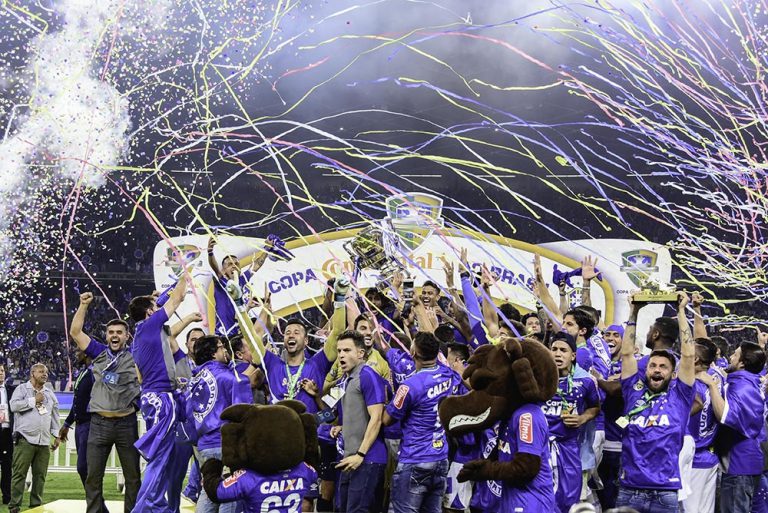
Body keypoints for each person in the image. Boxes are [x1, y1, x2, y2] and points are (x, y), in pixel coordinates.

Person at [615, 292, 695, 513]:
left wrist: (680, 311)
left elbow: (688, 357)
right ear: (646, 370)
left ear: (673, 373)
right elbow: (627, 355)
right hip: (630, 489)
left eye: (663, 367)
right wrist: (634, 311)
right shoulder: (633, 391)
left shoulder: (681, 396)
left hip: (665, 491)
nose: (657, 370)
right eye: (653, 366)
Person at [70, 292, 142, 513]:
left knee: (133, 478)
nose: (114, 335)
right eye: (111, 332)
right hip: (99, 424)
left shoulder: (135, 356)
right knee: (93, 477)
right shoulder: (99, 352)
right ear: (106, 335)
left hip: (126, 423)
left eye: (119, 332)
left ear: (126, 336)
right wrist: (83, 305)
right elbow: (75, 332)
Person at [128, 276, 189, 513]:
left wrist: (159, 296)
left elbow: (162, 300)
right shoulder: (150, 325)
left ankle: (156, 506)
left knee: (164, 457)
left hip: (153, 397)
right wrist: (185, 273)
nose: (158, 308)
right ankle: (144, 508)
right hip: (162, 398)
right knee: (161, 458)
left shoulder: (143, 332)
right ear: (149, 313)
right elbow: (178, 298)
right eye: (155, 308)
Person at [382, 332, 459, 513]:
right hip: (440, 458)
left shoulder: (409, 385)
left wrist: (387, 402)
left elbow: (386, 419)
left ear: (413, 352)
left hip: (414, 459)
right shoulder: (447, 373)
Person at [188, 334, 253, 513]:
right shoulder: (229, 377)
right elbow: (243, 411)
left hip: (203, 446)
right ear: (212, 353)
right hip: (225, 444)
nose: (225, 351)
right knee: (229, 493)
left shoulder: (194, 380)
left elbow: (188, 413)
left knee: (209, 491)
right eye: (221, 347)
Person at [700, 341, 766, 513]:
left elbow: (725, 415)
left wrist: (712, 385)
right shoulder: (746, 382)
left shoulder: (743, 387)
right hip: (744, 464)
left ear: (742, 362)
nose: (730, 357)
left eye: (735, 354)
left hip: (739, 466)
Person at [543, 332, 600, 513]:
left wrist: (582, 418)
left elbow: (595, 408)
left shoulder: (586, 381)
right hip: (540, 447)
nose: (558, 354)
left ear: (573, 355)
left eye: (563, 350)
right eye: (554, 349)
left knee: (568, 501)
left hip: (568, 448)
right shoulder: (538, 379)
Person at [334, 330, 388, 513]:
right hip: (350, 459)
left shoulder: (368, 375)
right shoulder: (347, 378)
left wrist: (361, 454)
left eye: (347, 350)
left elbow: (377, 417)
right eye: (339, 350)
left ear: (360, 353)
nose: (341, 355)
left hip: (367, 459)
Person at [58, 349, 108, 511]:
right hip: (81, 427)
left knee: (86, 468)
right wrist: (66, 424)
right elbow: (77, 402)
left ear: (87, 353)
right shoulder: (84, 372)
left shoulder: (97, 372)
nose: (76, 353)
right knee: (85, 469)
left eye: (79, 350)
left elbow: (111, 387)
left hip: (92, 425)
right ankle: (99, 508)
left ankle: (97, 507)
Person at [8, 363, 60, 513]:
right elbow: (14, 406)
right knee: (19, 474)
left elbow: (55, 415)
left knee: (40, 476)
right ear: (32, 373)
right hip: (25, 439)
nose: (45, 374)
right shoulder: (22, 389)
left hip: (43, 441)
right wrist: (33, 401)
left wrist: (56, 436)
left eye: (46, 372)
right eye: (41, 371)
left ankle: (36, 506)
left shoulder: (49, 393)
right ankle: (14, 506)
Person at [682, 339, 722, 513]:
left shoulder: (689, 387)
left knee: (688, 510)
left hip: (693, 460)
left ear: (696, 359)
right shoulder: (717, 377)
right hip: (710, 457)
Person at [0, 364, 15, 506]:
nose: (1, 373)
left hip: (7, 433)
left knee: (7, 466)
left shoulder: (11, 390)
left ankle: (7, 496)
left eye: (3, 371)